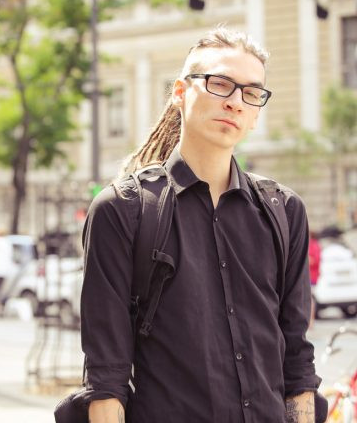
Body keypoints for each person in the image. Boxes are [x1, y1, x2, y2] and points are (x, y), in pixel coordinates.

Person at [81, 27, 321, 423]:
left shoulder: (284, 211)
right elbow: (106, 378)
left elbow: (296, 355)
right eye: (220, 84)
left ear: (258, 112)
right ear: (180, 92)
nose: (235, 103)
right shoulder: (121, 210)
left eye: (251, 92)